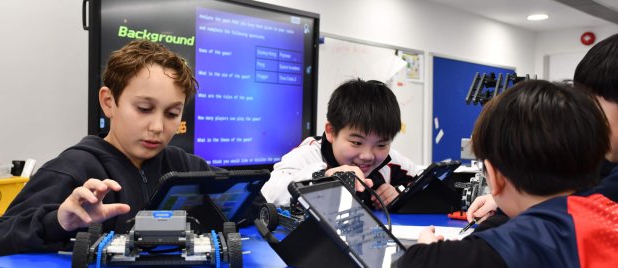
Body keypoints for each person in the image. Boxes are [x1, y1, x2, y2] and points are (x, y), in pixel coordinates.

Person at [0, 40, 218, 256]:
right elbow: (1, 233)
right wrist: (56, 222)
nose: (158, 127)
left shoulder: (185, 167)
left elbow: (244, 197)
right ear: (108, 102)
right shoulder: (70, 169)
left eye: (171, 114)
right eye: (143, 108)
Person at [395, 80, 617, 267]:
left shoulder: (527, 241)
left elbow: (422, 262)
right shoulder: (606, 212)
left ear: (494, 176)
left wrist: (426, 247)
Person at [466, 33, 618, 224]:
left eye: (594, 106)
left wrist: (511, 204)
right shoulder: (601, 163)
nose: (588, 118)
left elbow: (568, 211)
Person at [260, 78, 420, 209]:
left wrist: (399, 193)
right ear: (331, 131)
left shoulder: (389, 161)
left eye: (381, 145)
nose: (368, 156)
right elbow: (269, 192)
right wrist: (325, 179)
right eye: (357, 142)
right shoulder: (310, 153)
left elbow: (426, 178)